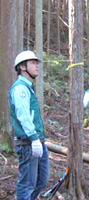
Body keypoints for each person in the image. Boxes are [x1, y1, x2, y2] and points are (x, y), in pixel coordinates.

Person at [9, 50, 50, 200]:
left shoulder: (29, 88)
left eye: (36, 63)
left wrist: (38, 140)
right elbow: (23, 116)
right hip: (28, 143)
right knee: (27, 184)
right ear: (22, 67)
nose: (37, 66)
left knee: (42, 180)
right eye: (33, 63)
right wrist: (33, 138)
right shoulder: (20, 88)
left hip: (38, 142)